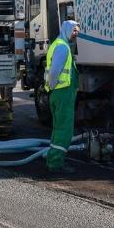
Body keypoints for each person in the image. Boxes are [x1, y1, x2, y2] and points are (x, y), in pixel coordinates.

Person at [44, 20, 79, 173]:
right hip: (62, 93)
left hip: (59, 93)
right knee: (64, 130)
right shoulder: (62, 48)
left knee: (58, 128)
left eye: (77, 31)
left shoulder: (60, 45)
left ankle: (52, 159)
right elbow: (54, 72)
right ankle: (56, 163)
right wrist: (52, 87)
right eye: (74, 31)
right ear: (66, 30)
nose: (75, 33)